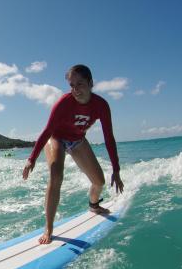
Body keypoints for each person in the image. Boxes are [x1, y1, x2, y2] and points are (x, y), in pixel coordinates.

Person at [22, 64, 124, 244]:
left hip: (78, 140)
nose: (75, 90)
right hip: (56, 139)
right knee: (56, 177)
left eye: (80, 84)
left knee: (98, 182)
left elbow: (109, 138)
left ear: (91, 83)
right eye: (72, 85)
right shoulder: (63, 103)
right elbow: (47, 132)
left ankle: (93, 205)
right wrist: (31, 159)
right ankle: (49, 228)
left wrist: (116, 169)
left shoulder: (101, 105)